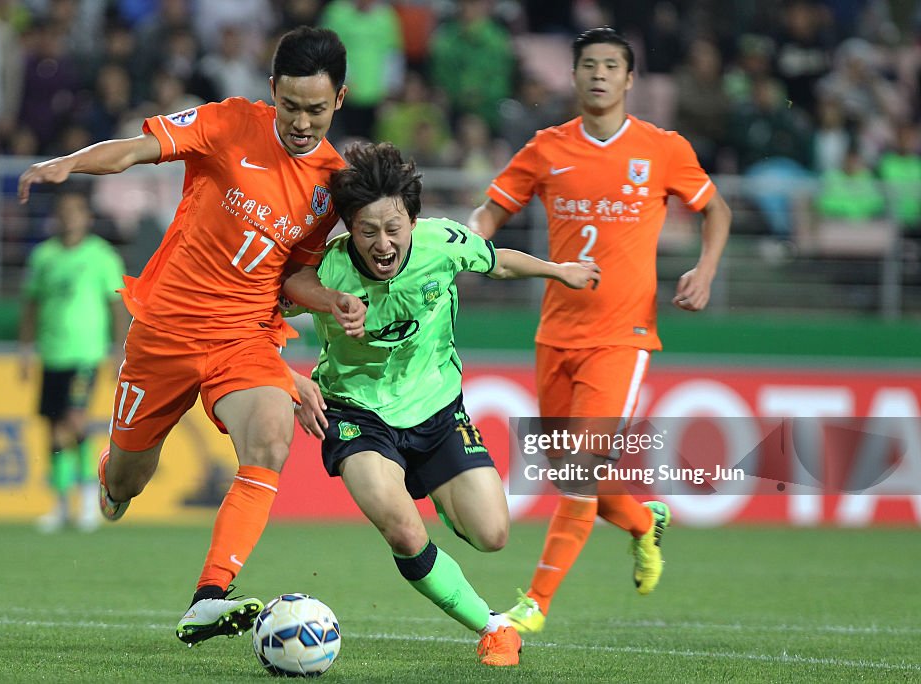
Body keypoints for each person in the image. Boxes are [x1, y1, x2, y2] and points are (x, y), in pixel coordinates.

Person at [17, 26, 367, 645]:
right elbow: (133, 148)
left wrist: (331, 301)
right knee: (126, 484)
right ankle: (110, 474)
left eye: (316, 108)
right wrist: (69, 163)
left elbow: (294, 275)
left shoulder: (333, 185)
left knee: (270, 436)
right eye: (290, 106)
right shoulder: (229, 123)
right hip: (164, 335)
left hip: (243, 338)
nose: (302, 122)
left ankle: (211, 594)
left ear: (340, 99)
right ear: (271, 93)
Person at [289, 142, 602, 666]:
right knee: (404, 530)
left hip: (436, 408)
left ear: (414, 220)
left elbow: (497, 261)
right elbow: (266, 301)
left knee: (493, 534)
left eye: (394, 228)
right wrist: (290, 378)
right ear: (347, 228)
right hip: (355, 413)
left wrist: (559, 271)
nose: (383, 244)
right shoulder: (326, 269)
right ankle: (493, 626)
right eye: (367, 231)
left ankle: (436, 488)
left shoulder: (441, 243)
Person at [468, 27, 732, 632]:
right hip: (555, 334)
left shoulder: (661, 149)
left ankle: (533, 604)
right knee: (569, 472)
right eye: (589, 64)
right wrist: (459, 245)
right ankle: (643, 522)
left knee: (581, 470)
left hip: (623, 336)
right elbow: (491, 211)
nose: (599, 74)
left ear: (630, 79)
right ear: (574, 74)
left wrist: (706, 269)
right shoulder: (545, 148)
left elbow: (716, 207)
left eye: (612, 65)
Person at [18, 187, 127, 533]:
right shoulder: (44, 257)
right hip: (52, 354)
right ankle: (60, 504)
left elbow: (116, 306)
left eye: (76, 210)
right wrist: (25, 350)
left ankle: (88, 500)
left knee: (74, 420)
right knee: (52, 428)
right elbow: (31, 306)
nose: (69, 217)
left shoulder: (101, 256)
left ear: (88, 218)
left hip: (86, 353)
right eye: (64, 211)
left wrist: (119, 350)